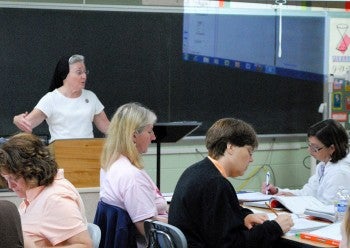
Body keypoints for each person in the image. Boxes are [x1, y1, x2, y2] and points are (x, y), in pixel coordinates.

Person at [168, 118, 293, 247]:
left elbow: (221, 216)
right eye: (249, 152)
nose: (251, 159)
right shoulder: (216, 183)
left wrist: (243, 217)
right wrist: (275, 227)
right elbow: (231, 244)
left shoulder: (195, 171)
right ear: (230, 147)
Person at [0, 133, 93, 247]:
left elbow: (84, 245)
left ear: (32, 170)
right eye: (6, 179)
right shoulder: (36, 192)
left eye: (14, 178)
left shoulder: (56, 199)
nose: (10, 185)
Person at [99, 102, 168, 247]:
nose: (154, 137)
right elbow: (148, 229)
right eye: (150, 132)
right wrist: (184, 221)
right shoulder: (131, 176)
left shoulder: (110, 166)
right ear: (134, 136)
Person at [13, 54, 110, 143]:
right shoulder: (51, 99)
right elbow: (27, 124)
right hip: (60, 155)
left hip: (87, 154)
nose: (84, 76)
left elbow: (107, 127)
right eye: (79, 72)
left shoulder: (91, 97)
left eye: (85, 72)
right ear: (65, 74)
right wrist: (17, 120)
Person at [262, 119, 350, 205]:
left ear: (332, 148)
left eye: (315, 147)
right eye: (309, 145)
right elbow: (307, 193)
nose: (309, 150)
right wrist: (277, 191)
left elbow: (330, 209)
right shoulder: (323, 165)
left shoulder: (340, 173)